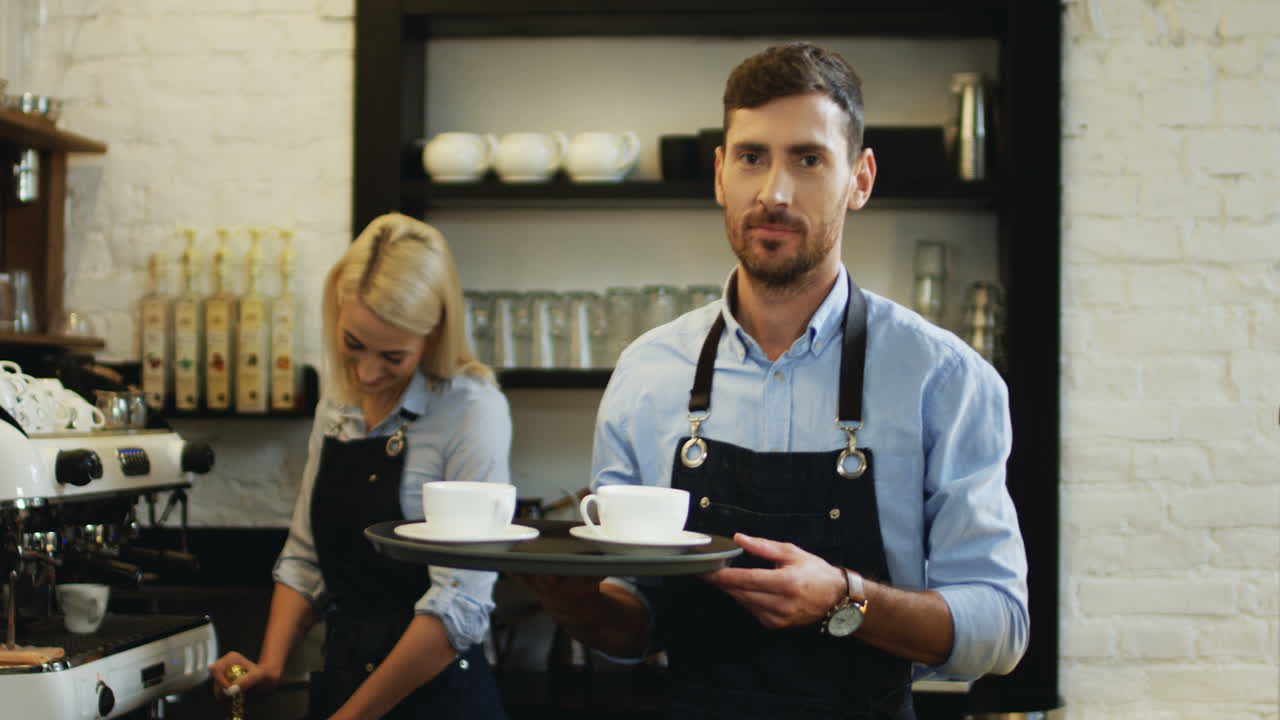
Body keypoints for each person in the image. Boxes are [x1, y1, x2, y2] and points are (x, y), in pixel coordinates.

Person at [524, 42, 1028, 719]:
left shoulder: (943, 379)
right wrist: (576, 600)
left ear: (861, 179)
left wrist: (845, 598)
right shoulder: (649, 374)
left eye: (809, 159)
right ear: (719, 174)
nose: (774, 192)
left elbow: (999, 630)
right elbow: (633, 626)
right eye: (752, 157)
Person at [211, 213, 511, 720]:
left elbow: (458, 604)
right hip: (342, 687)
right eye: (353, 346)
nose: (369, 373)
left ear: (433, 333)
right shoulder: (340, 402)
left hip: (436, 700)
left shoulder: (472, 410)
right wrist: (272, 663)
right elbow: (306, 556)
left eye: (393, 356)